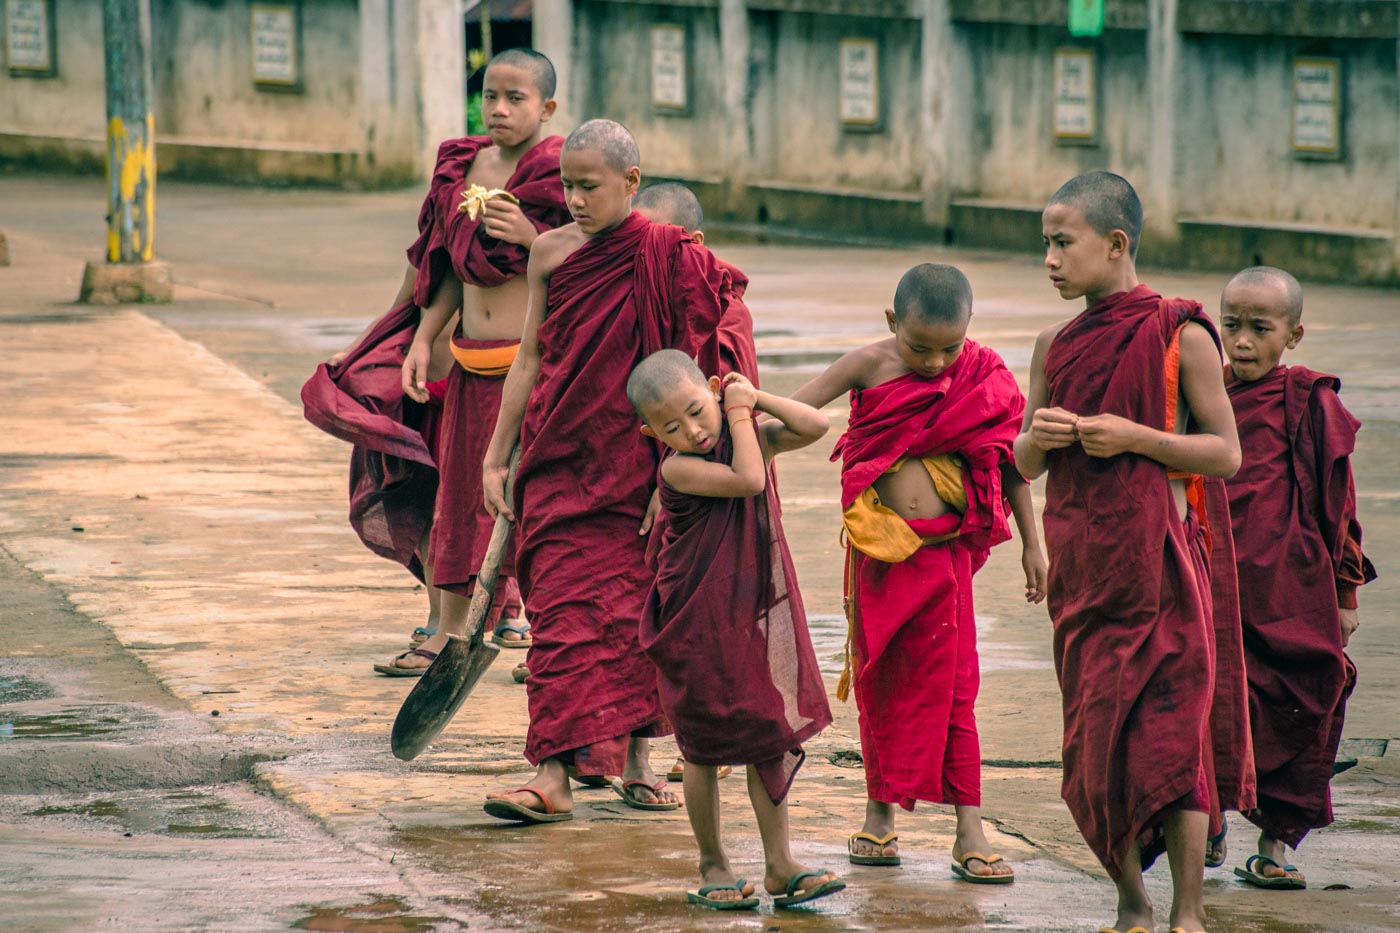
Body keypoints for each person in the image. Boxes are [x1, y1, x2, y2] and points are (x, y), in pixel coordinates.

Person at [1014, 171, 1250, 933]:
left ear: (1116, 244)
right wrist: (1037, 440)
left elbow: (1225, 453)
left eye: (1061, 242)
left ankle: (1187, 910)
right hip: (1084, 573)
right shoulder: (1055, 342)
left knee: (1173, 743)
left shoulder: (1181, 332)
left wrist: (1139, 439)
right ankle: (1130, 902)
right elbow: (1020, 464)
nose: (1048, 258)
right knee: (1095, 746)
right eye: (1044, 243)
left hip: (1163, 570)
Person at [478, 119, 734, 822]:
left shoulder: (666, 255)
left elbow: (700, 366)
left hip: (638, 468)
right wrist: (498, 453)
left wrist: (675, 468)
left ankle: (638, 755)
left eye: (589, 186)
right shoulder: (552, 253)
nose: (575, 200)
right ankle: (552, 772)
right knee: (560, 614)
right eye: (566, 185)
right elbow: (528, 356)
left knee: (633, 617)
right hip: (559, 458)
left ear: (632, 182)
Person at [790, 262, 1046, 882]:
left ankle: (969, 828)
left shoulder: (982, 373)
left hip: (945, 558)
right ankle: (880, 815)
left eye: (948, 348)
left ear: (969, 329)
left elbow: (1006, 459)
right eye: (919, 347)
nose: (935, 364)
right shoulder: (867, 364)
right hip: (878, 555)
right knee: (881, 681)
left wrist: (1034, 545)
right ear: (891, 322)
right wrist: (735, 418)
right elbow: (798, 410)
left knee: (957, 689)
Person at [373, 48, 571, 676]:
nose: (499, 109)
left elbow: (585, 267)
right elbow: (452, 269)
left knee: (532, 504)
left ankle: (547, 638)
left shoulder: (557, 174)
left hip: (530, 371)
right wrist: (423, 337)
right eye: (490, 95)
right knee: (459, 501)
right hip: (467, 364)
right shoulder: (463, 167)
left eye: (516, 99)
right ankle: (448, 636)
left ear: (547, 108)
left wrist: (532, 239)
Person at [628, 351, 843, 910]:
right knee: (702, 747)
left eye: (699, 411)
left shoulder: (742, 428)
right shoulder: (677, 468)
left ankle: (780, 864)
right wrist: (740, 416)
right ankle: (712, 862)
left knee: (768, 735)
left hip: (747, 615)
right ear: (653, 433)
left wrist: (753, 397)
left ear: (714, 391)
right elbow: (749, 480)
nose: (694, 431)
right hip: (695, 621)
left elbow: (816, 425)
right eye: (672, 427)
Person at [1216, 266, 1375, 891]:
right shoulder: (1205, 394)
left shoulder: (1310, 401)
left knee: (1310, 697)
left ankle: (1276, 846)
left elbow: (1340, 503)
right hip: (1219, 584)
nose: (1243, 342)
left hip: (1293, 589)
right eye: (1232, 326)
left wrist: (1345, 591)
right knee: (1216, 704)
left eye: (1262, 329)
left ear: (1295, 334)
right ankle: (1208, 824)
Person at [633, 180, 755, 784]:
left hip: (728, 490)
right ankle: (688, 736)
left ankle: (723, 740)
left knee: (728, 622)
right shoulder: (650, 300)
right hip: (685, 493)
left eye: (659, 242)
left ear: (695, 243)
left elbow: (742, 411)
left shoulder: (722, 309)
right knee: (682, 624)